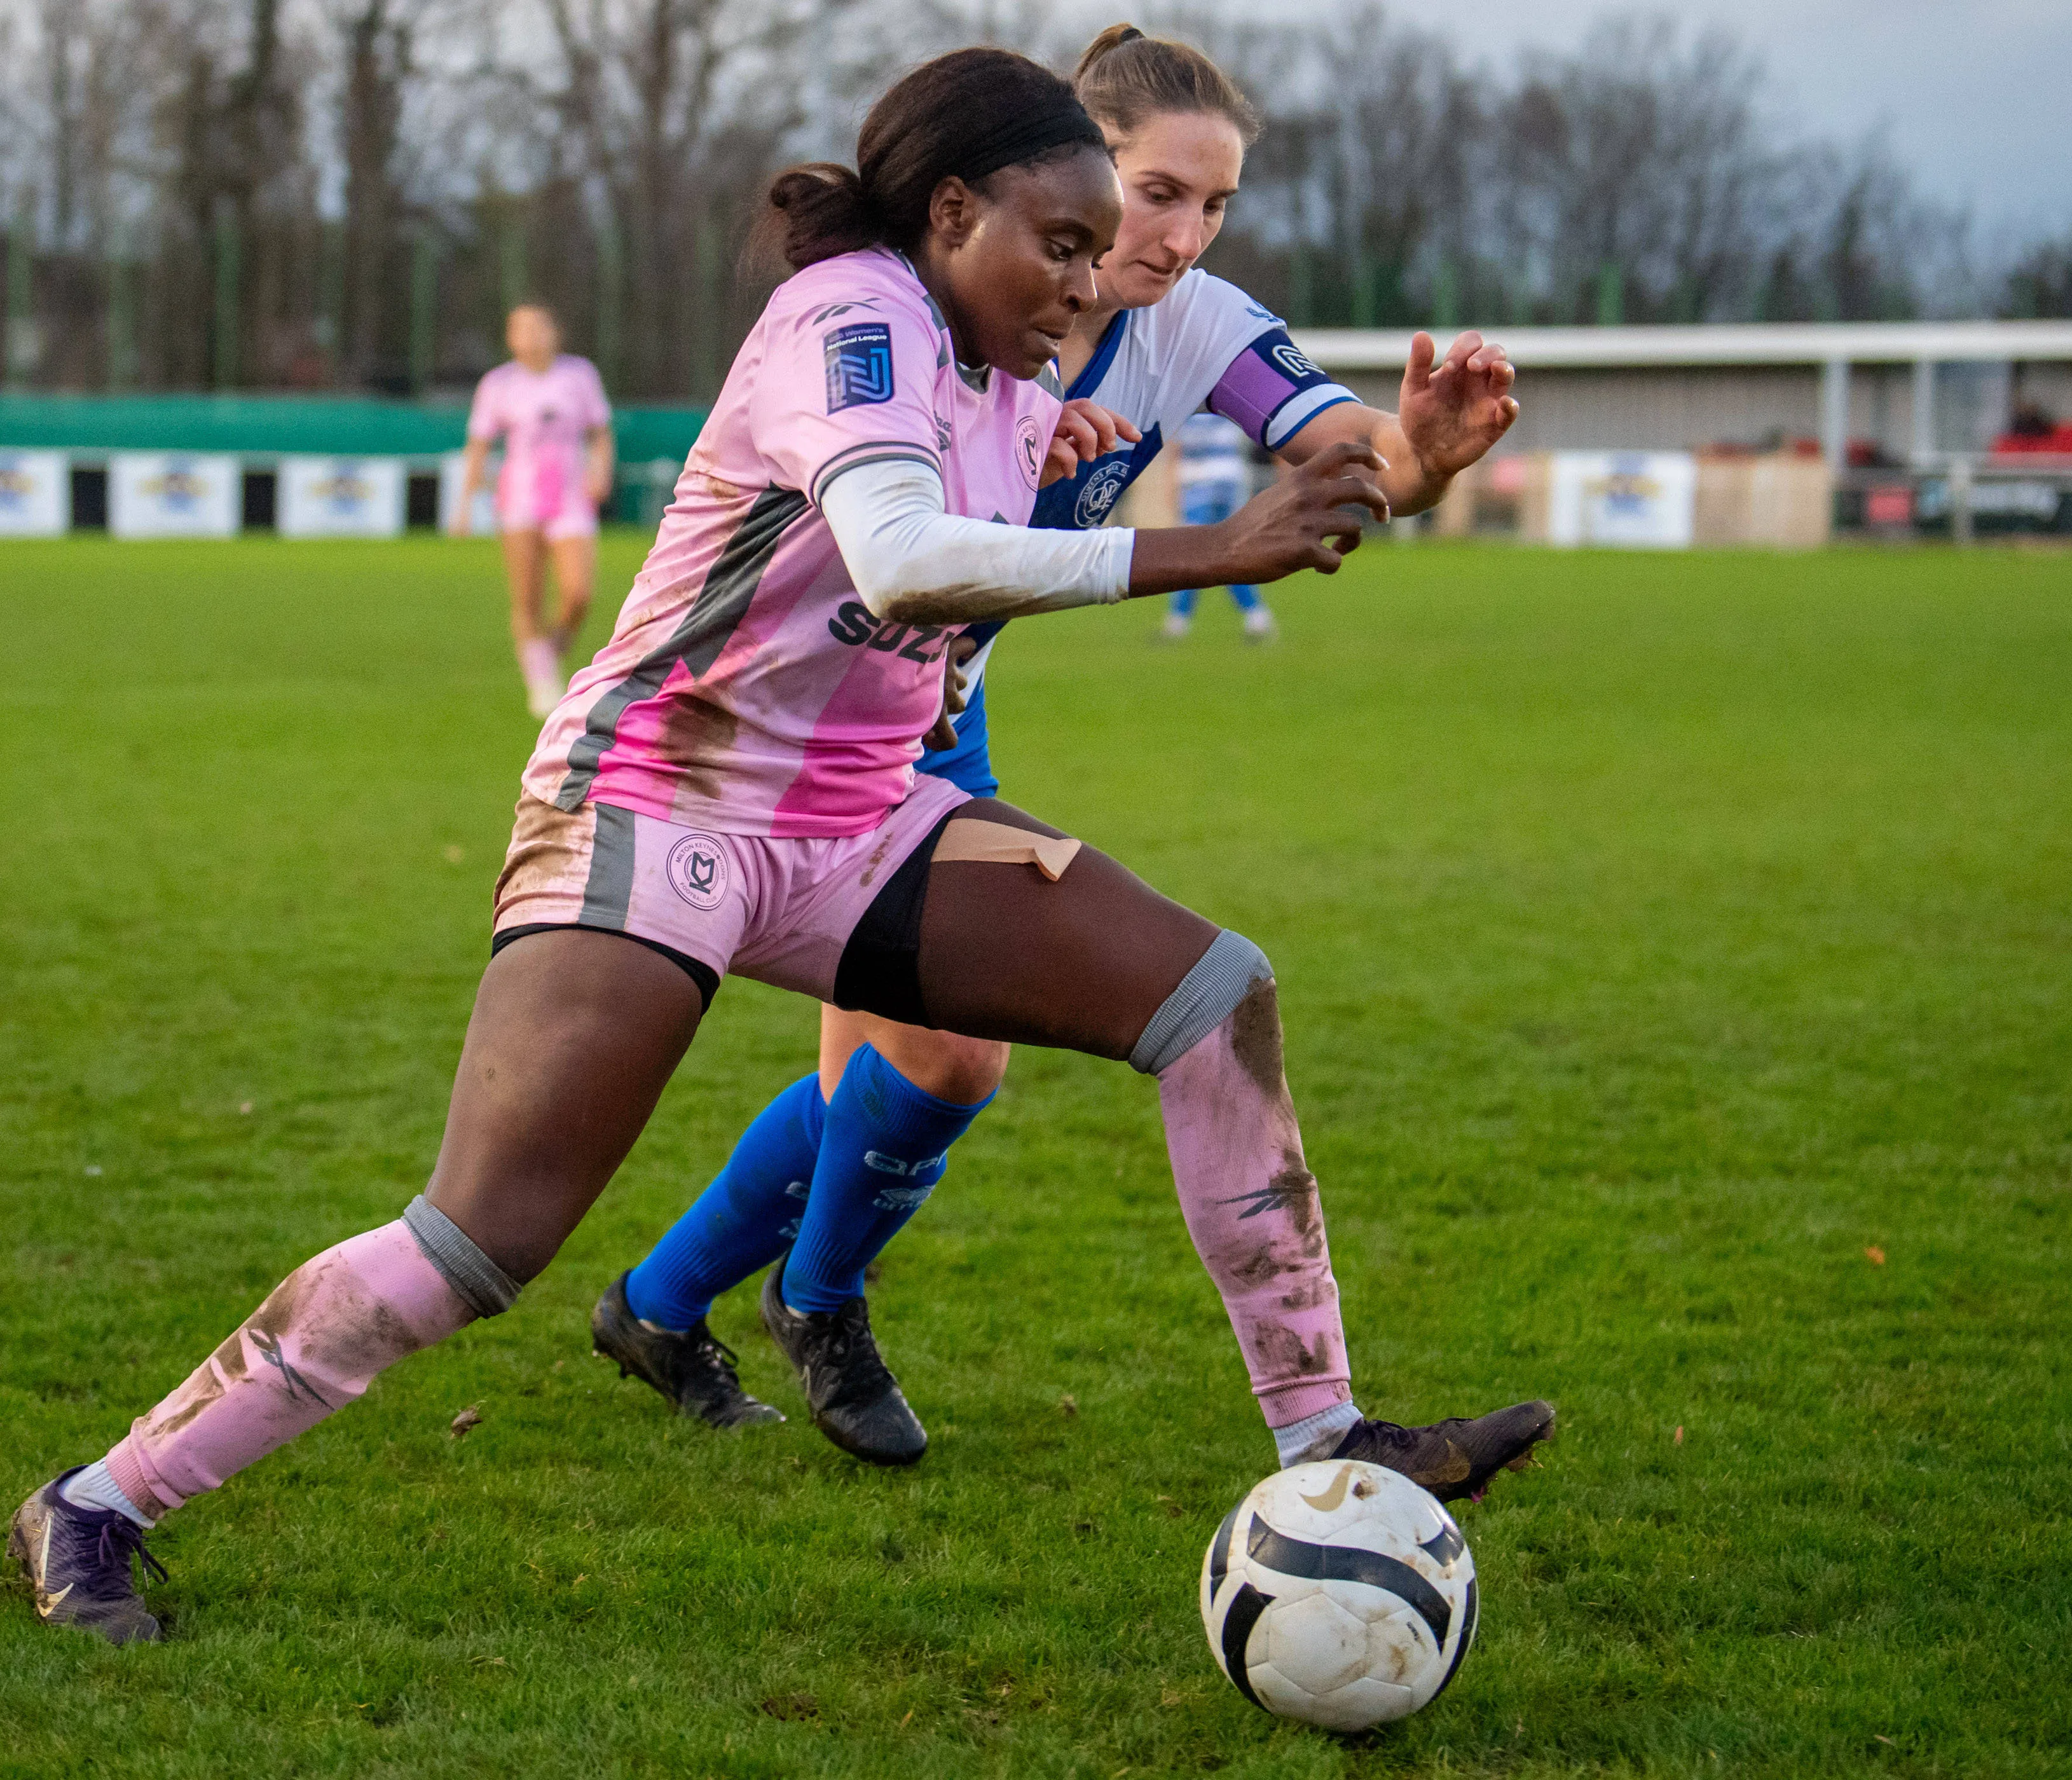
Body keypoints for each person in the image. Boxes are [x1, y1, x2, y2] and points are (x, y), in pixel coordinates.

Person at [8, 44, 1549, 1646]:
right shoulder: (852, 317)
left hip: (862, 809)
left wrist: (1417, 468)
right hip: (659, 796)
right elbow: (898, 556)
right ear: (954, 213)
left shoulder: (1025, 342)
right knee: (480, 1241)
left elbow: (1320, 456)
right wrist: (1201, 548)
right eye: (1078, 241)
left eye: (1147, 232)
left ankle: (1326, 1441)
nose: (1108, 282)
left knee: (1212, 993)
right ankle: (101, 1501)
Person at [596, 24, 1523, 1467]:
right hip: (791, 728)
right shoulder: (924, 314)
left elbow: (1351, 456)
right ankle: (806, 1302)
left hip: (934, 724)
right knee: (937, 1058)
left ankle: (672, 1305)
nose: (1179, 236)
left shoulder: (1193, 324)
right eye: (1156, 194)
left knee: (925, 1068)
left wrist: (1421, 454)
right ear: (1066, 173)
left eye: (1213, 206)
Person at [453, 305, 615, 716]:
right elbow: (479, 445)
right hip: (520, 498)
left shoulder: (579, 375)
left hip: (570, 496)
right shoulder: (499, 384)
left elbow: (600, 434)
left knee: (578, 593)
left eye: (538, 327)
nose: (530, 336)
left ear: (555, 332)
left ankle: (552, 649)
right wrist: (465, 505)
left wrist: (601, 471)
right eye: (520, 329)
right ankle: (540, 681)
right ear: (510, 338)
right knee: (527, 597)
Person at [1158, 409, 1272, 640]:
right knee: (1230, 553)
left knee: (1190, 555)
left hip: (1199, 486)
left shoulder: (1185, 408)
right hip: (1228, 483)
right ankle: (1256, 616)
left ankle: (1178, 622)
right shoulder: (1224, 406)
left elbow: (1176, 451)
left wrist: (1172, 490)